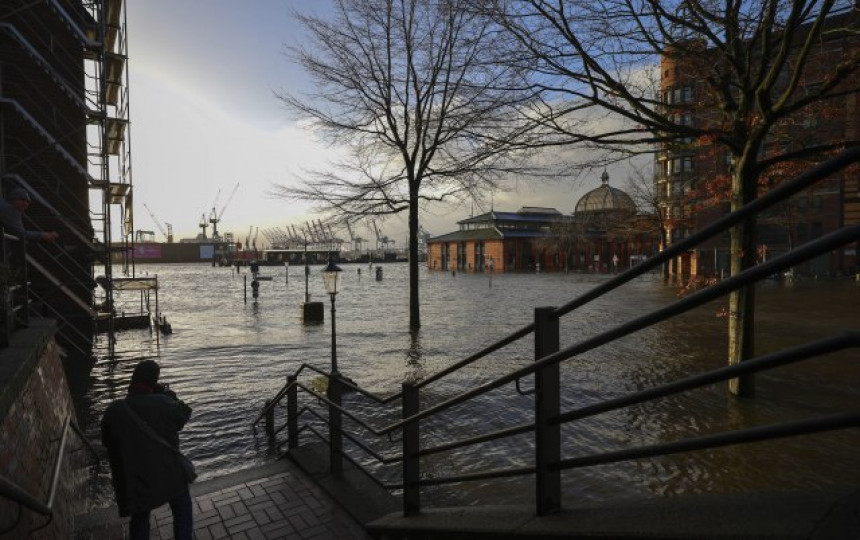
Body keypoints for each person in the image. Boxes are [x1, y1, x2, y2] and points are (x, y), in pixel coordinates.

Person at [101, 360, 193, 540]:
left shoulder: (114, 411)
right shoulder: (163, 403)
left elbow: (107, 441)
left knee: (140, 518)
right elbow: (183, 414)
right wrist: (169, 396)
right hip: (168, 475)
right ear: (154, 381)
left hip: (136, 481)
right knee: (182, 507)